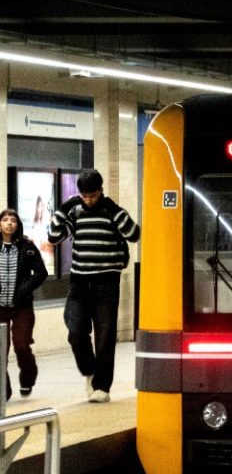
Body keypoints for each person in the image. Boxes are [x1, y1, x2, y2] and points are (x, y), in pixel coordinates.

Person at [47, 168, 139, 403]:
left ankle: (102, 387)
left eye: (93, 195)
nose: (89, 200)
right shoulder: (76, 212)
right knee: (76, 331)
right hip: (79, 281)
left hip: (107, 281)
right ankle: (89, 369)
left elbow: (134, 234)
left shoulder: (111, 211)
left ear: (101, 190)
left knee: (105, 336)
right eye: (84, 196)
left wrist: (115, 210)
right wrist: (63, 209)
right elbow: (53, 236)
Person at [0, 209, 50, 400]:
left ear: (18, 225)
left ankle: (28, 379)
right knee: (0, 351)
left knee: (21, 346)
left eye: (13, 220)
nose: (9, 223)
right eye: (5, 220)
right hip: (0, 307)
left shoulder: (27, 247)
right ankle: (3, 391)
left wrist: (25, 288)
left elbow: (41, 272)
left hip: (22, 306)